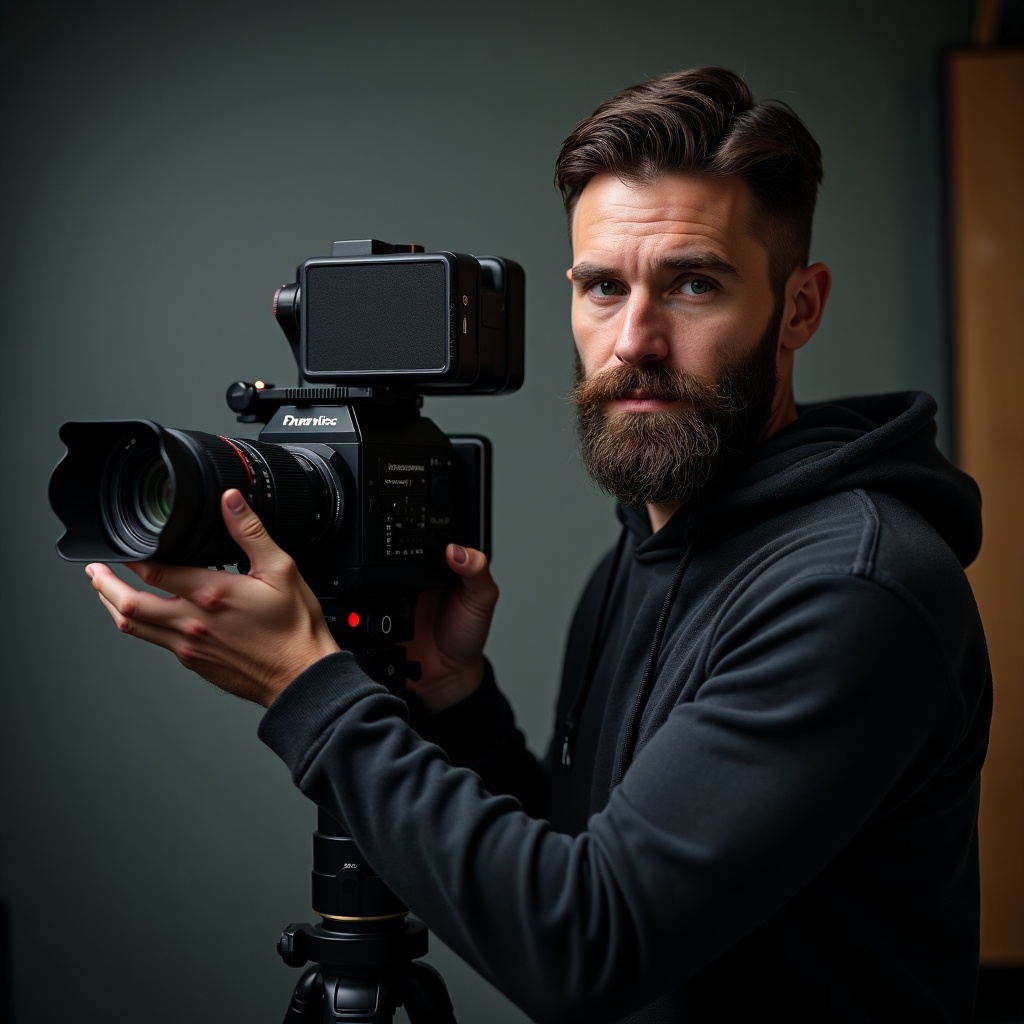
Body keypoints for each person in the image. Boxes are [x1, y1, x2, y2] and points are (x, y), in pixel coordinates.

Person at [85, 67, 991, 1022]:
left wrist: (306, 690)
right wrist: (455, 701)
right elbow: (586, 864)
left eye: (693, 283)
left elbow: (587, 947)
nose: (633, 338)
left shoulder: (854, 590)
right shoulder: (642, 550)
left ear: (799, 307)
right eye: (602, 286)